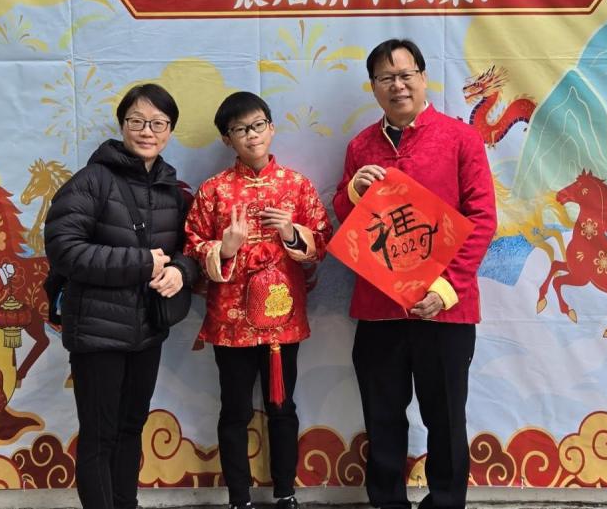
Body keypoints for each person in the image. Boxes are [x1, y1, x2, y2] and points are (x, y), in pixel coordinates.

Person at [334, 39, 497, 509]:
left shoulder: (460, 138)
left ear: (424, 79)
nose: (398, 86)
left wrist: (447, 289)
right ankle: (387, 503)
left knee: (445, 419)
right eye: (386, 78)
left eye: (406, 75)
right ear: (374, 87)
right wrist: (352, 193)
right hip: (379, 309)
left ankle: (445, 503)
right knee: (382, 418)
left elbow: (483, 218)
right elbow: (347, 221)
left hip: (445, 310)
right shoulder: (360, 146)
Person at [44, 83, 201, 509]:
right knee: (100, 434)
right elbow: (64, 249)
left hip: (148, 328)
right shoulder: (91, 181)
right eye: (137, 121)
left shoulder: (172, 190)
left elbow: (191, 249)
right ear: (122, 125)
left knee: (132, 427)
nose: (147, 131)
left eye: (158, 123)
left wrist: (181, 272)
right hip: (97, 332)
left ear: (170, 131)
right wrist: (140, 264)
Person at [185, 91, 333, 509]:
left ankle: (285, 492)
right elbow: (192, 244)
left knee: (282, 408)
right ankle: (239, 497)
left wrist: (290, 232)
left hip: (281, 320)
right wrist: (226, 248)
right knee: (234, 410)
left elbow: (322, 240)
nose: (251, 136)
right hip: (230, 321)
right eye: (240, 129)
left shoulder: (297, 185)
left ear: (271, 128)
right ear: (227, 139)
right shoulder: (213, 191)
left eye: (257, 125)